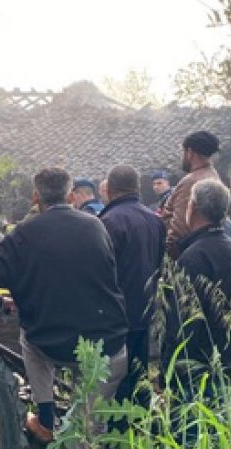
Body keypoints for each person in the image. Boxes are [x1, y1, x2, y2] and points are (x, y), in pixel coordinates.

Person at [0, 167, 128, 449]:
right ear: (72, 195)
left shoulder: (20, 235)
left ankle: (46, 415)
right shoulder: (95, 226)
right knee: (88, 436)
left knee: (28, 340)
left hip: (52, 341)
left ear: (35, 198)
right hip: (107, 345)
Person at [162, 178, 231, 444]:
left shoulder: (192, 257)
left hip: (191, 361)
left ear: (193, 208)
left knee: (189, 432)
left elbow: (181, 320)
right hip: (224, 353)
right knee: (217, 424)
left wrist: (168, 364)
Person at [98, 165, 166, 422]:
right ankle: (138, 428)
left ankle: (116, 436)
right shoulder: (155, 221)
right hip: (145, 309)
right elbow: (159, 264)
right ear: (138, 188)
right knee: (138, 374)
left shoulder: (107, 222)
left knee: (113, 381)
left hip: (114, 313)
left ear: (111, 190)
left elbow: (101, 270)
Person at [163, 131, 222, 257]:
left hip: (188, 255)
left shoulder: (191, 182)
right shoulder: (214, 176)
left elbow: (178, 230)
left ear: (190, 153)